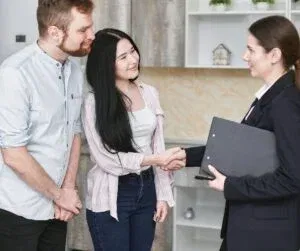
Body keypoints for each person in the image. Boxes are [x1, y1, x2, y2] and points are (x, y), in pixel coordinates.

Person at [166, 15, 300, 251]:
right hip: (253, 227)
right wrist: (186, 156)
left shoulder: (284, 103)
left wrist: (230, 186)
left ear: (274, 55)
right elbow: (239, 150)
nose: (244, 56)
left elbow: (293, 179)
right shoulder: (270, 96)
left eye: (251, 50)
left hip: (266, 233)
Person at [0, 0, 94, 250]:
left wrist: (67, 188)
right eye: (83, 30)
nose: (91, 35)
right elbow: (13, 154)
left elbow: (73, 131)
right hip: (19, 211)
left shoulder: (74, 69)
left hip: (56, 208)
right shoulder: (15, 73)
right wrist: (59, 195)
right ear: (55, 32)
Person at [82, 28, 185, 251]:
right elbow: (106, 159)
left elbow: (157, 145)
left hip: (147, 189)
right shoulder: (94, 103)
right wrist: (155, 159)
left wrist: (163, 195)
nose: (133, 59)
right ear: (106, 64)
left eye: (133, 51)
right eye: (123, 57)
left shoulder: (149, 92)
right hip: (112, 193)